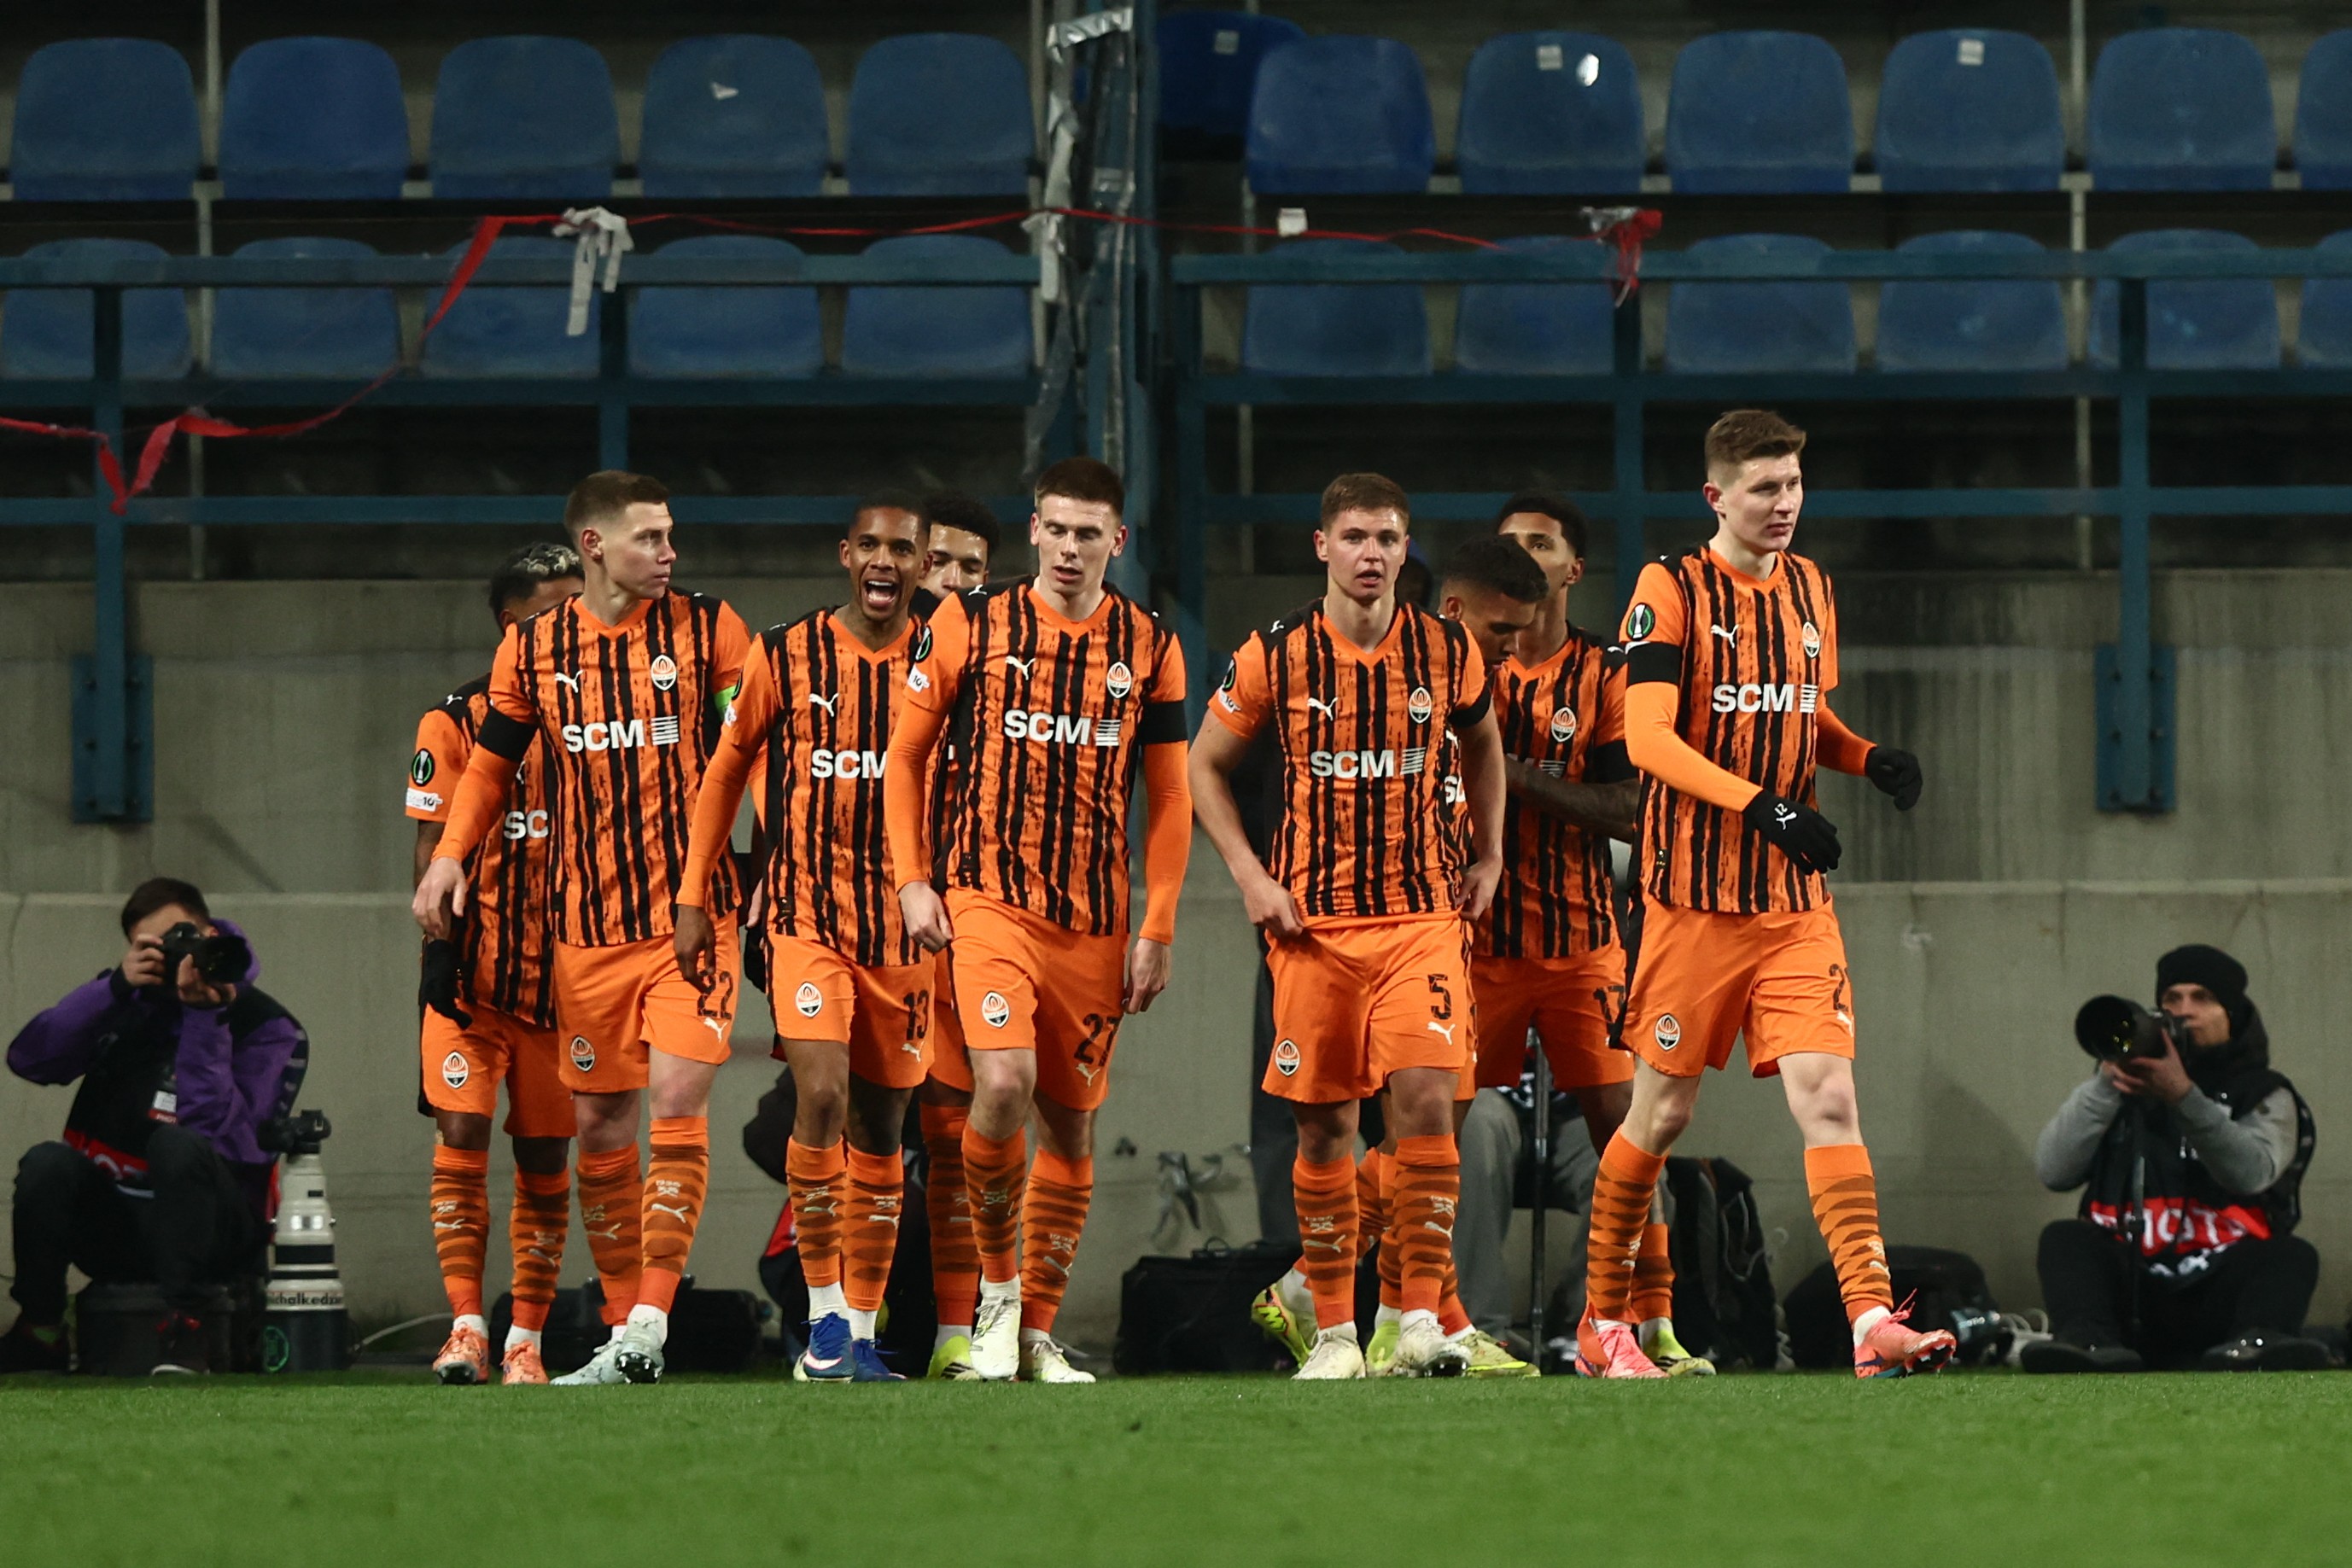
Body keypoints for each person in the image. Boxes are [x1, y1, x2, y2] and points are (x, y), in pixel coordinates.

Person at [1582, 410, 1952, 1380]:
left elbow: (1798, 706)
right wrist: (1762, 807)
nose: (1782, 504)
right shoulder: (1668, 587)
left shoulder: (1811, 588)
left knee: (1829, 1096)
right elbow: (1650, 739)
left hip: (1791, 905)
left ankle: (1870, 1321)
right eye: (1762, 488)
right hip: (1690, 903)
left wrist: (1864, 755)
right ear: (1716, 497)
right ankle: (1602, 1325)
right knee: (1659, 1116)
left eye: (1792, 485)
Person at [413, 469, 750, 1385]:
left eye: (671, 534)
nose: (668, 552)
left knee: (676, 1103)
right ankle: (616, 1329)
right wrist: (448, 856)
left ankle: (648, 1319)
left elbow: (754, 738)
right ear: (596, 545)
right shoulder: (533, 652)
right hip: (586, 929)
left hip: (690, 917)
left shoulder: (711, 629)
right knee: (603, 1126)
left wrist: (771, 849)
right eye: (649, 537)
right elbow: (489, 765)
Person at [1190, 472, 1508, 1380]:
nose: (1372, 553)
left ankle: (1414, 1320)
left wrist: (1486, 855)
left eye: (1389, 537)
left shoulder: (1447, 650)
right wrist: (1251, 878)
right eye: (1356, 536)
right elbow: (1203, 768)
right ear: (1321, 546)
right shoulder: (1273, 653)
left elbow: (1483, 744)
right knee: (1325, 1131)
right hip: (1313, 928)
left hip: (1420, 918)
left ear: (1408, 551)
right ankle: (1331, 1334)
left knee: (1424, 1106)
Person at [884, 457, 1192, 1384]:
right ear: (1033, 531)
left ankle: (1035, 1331)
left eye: (1086, 533)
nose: (1067, 548)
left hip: (1094, 923)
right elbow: (904, 759)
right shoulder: (968, 621)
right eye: (1054, 530)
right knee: (1004, 1082)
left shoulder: (1150, 645)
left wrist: (1160, 924)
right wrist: (912, 880)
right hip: (986, 900)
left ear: (1116, 541)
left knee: (1070, 1129)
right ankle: (997, 1296)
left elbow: (1170, 797)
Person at [675, 496, 935, 1384]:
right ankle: (822, 1314)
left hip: (904, 932)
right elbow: (723, 771)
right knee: (818, 1094)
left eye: (902, 548)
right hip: (806, 917)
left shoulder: (946, 658)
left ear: (922, 562)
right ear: (844, 554)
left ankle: (862, 1327)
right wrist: (691, 894)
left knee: (883, 1128)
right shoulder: (787, 651)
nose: (884, 560)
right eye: (870, 543)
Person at [1475, 494, 1708, 1373]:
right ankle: (1436, 1320)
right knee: (1429, 1126)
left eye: (1541, 544)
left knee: (1629, 1123)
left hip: (1581, 945)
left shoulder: (1612, 673)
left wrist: (1516, 777)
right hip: (1475, 946)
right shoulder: (1457, 670)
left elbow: (1635, 807)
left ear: (1574, 569)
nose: (1524, 557)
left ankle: (1643, 1323)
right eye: (1509, 545)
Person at [3, 879, 306, 1374]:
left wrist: (205, 1018)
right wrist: (112, 989)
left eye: (183, 937)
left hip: (215, 1229)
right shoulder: (122, 1001)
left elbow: (223, 1141)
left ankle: (187, 1329)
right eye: (158, 946)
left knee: (177, 1146)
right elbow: (30, 1060)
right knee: (46, 1164)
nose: (177, 954)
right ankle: (41, 1331)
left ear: (210, 933)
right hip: (119, 1228)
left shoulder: (267, 1026)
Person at [406, 542, 583, 1386]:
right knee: (462, 1132)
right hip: (470, 985)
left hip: (565, 991)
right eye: (555, 613)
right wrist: (438, 953)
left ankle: (529, 1341)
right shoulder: (450, 722)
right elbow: (427, 851)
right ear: (511, 629)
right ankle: (466, 1326)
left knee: (547, 1162)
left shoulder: (600, 727)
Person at [2026, 945, 2323, 1373]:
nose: (2184, 1011)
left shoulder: (2264, 1092)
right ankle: (2087, 1342)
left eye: (2202, 998)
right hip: (2133, 1291)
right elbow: (2053, 1171)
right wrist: (2107, 1084)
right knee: (2064, 1239)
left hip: (2220, 1289)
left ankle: (2258, 1341)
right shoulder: (2114, 1087)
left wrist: (2183, 1096)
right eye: (2172, 999)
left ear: (2232, 1014)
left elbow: (2252, 1174)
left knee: (2291, 1254)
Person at [908, 487, 1000, 1379]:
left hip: (963, 933)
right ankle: (833, 1323)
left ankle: (960, 1330)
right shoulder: (839, 655)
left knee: (953, 1136)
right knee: (832, 1127)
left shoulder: (1001, 668)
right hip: (852, 936)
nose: (955, 580)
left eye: (972, 568)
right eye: (940, 561)